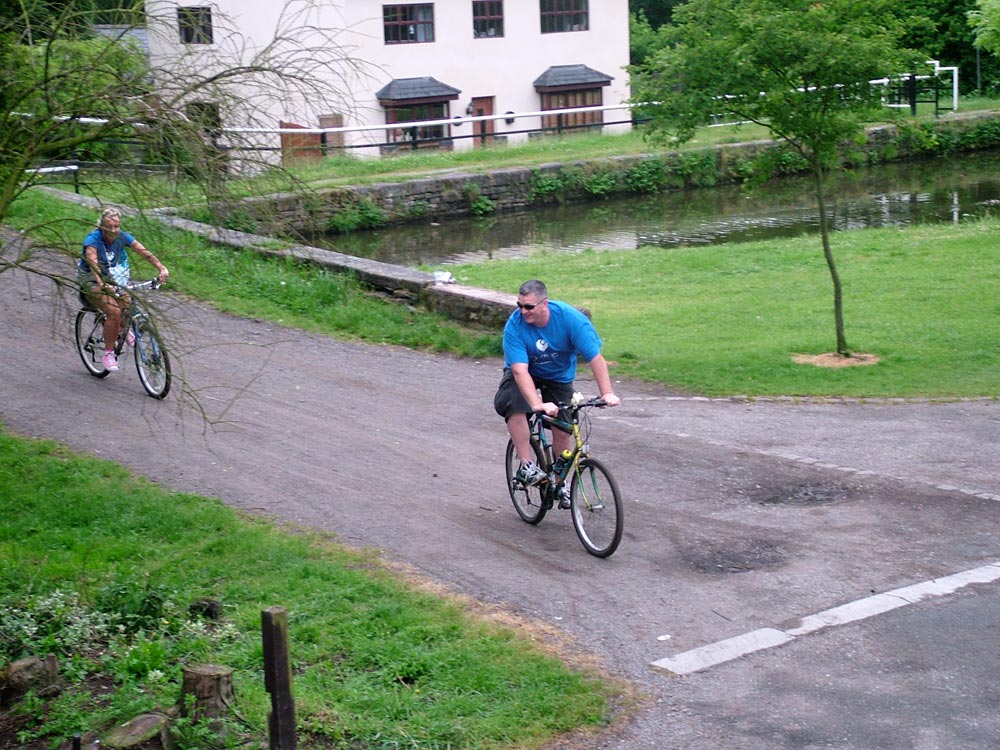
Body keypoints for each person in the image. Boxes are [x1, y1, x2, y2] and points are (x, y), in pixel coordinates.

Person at [494, 279, 621, 507]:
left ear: (545, 304)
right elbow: (520, 371)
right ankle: (526, 465)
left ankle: (559, 484)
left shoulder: (571, 320)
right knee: (514, 405)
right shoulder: (515, 325)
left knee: (563, 428)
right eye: (519, 305)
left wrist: (607, 393)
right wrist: (537, 404)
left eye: (529, 307)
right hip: (525, 373)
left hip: (557, 377)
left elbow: (595, 358)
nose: (523, 311)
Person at [78, 207, 169, 373]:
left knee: (127, 302)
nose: (113, 230)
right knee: (113, 310)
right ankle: (108, 353)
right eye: (109, 226)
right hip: (91, 278)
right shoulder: (92, 240)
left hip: (112, 277)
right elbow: (92, 262)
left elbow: (143, 252)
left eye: (116, 226)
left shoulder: (122, 237)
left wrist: (161, 268)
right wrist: (101, 283)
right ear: (101, 227)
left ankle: (120, 328)